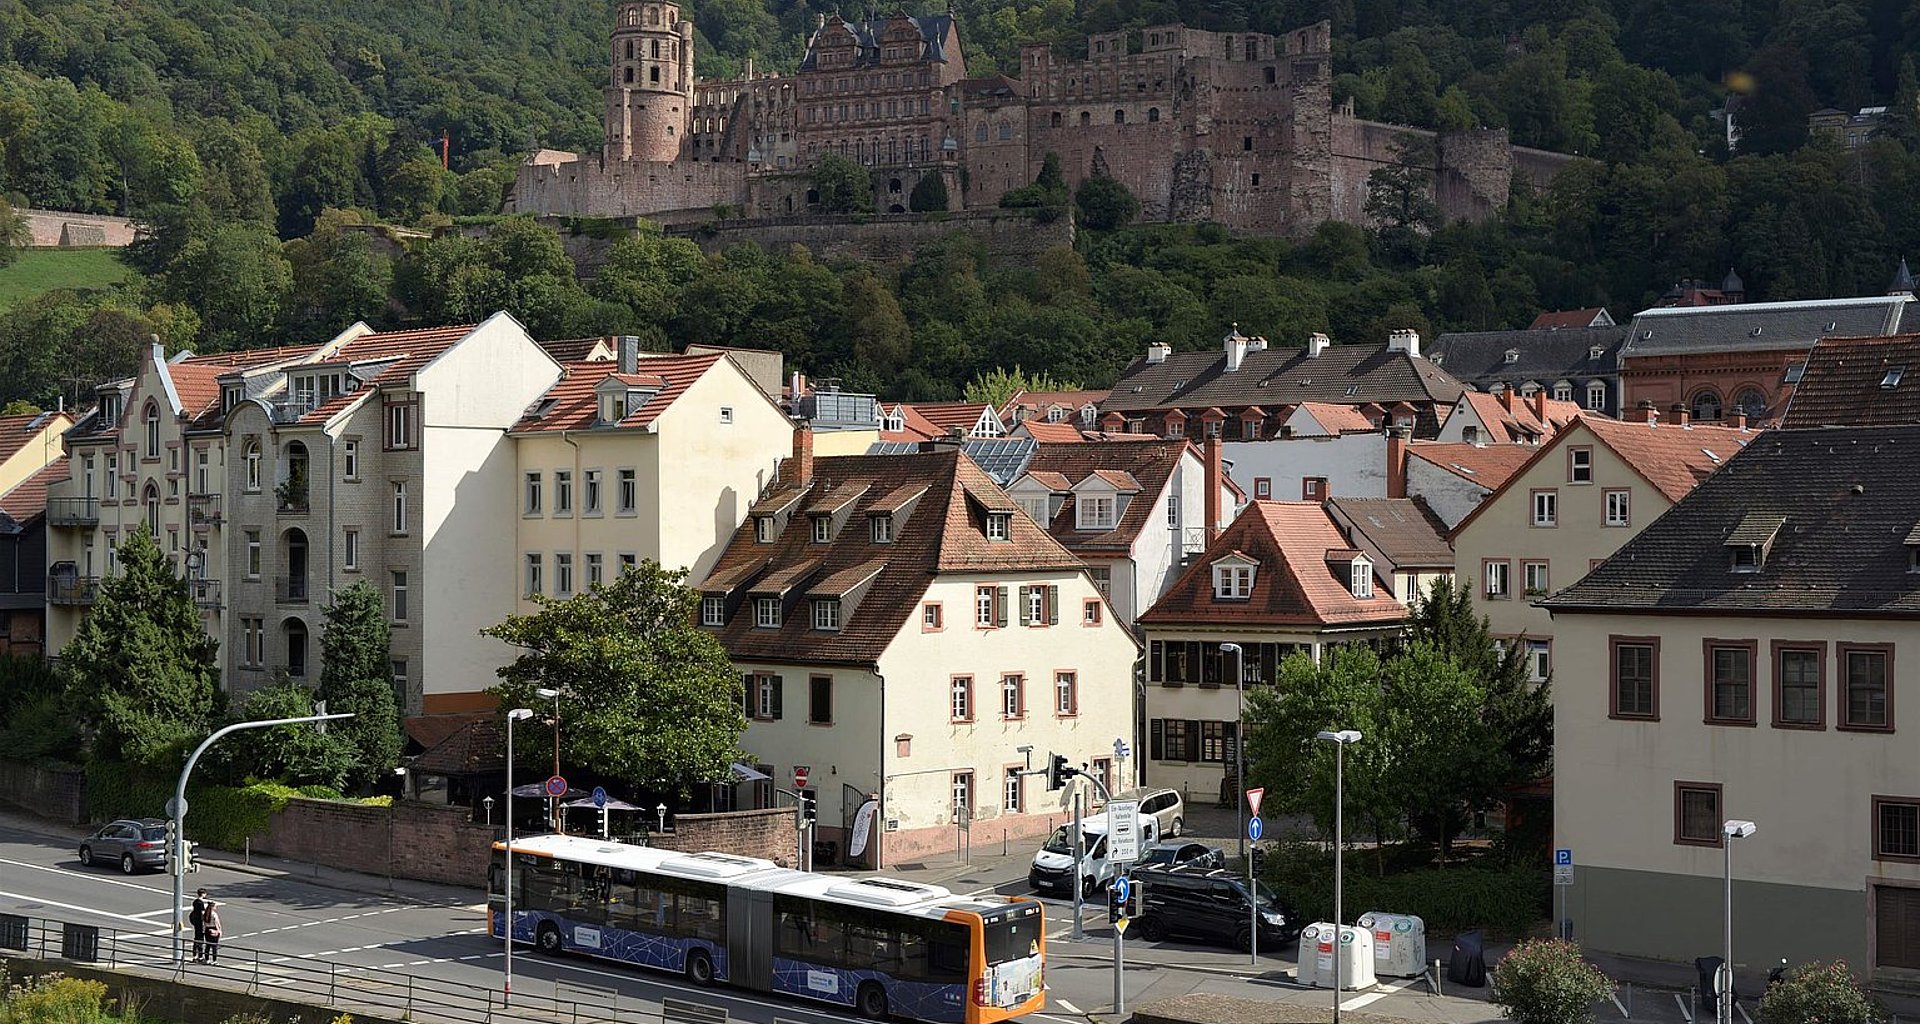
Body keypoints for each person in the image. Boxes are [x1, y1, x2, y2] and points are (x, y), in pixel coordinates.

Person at [189, 888, 209, 962]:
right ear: (203, 894)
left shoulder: (195, 902)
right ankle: (200, 956)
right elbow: (202, 913)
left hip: (195, 921)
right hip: (200, 922)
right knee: (200, 939)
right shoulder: (201, 903)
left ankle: (194, 955)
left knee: (196, 938)